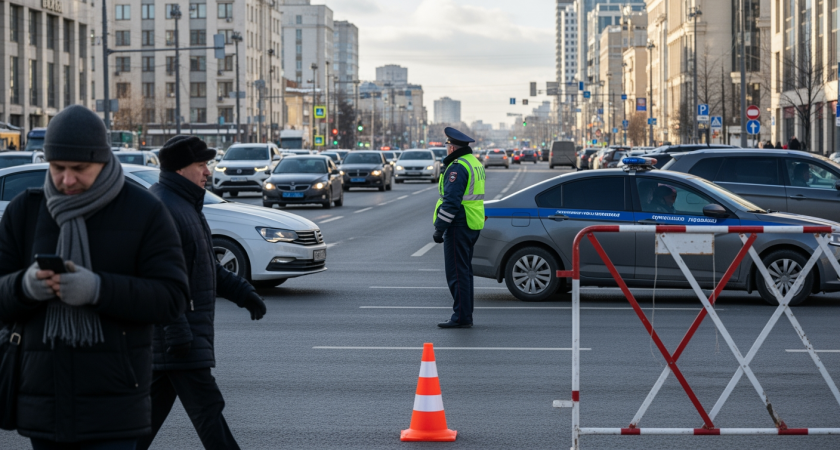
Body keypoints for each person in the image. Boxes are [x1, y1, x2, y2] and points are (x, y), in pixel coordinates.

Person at [0, 105, 189, 449]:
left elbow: (171, 298)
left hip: (115, 408)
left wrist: (97, 289)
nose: (67, 180)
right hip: (43, 407)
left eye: (79, 169)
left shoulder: (145, 211)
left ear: (103, 161)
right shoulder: (24, 212)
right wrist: (24, 287)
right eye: (57, 168)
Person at [137, 136, 267, 450]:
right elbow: (157, 278)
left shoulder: (185, 205)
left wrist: (243, 292)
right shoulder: (165, 208)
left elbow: (204, 265)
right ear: (181, 169)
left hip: (176, 341)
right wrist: (177, 329)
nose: (208, 171)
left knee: (142, 425)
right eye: (201, 165)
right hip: (179, 339)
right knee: (209, 414)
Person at [432, 127, 485, 328]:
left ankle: (461, 317)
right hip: (472, 223)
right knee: (464, 272)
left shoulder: (457, 167)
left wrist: (440, 228)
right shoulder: (474, 163)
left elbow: (451, 202)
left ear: (452, 147)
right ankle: (464, 315)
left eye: (447, 146)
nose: (446, 150)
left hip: (459, 225)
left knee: (457, 273)